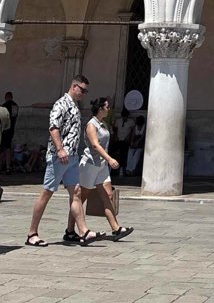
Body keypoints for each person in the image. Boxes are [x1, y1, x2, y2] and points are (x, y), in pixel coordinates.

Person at [25, 75, 99, 248]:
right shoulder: (61, 104)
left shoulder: (74, 106)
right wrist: (60, 149)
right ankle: (32, 233)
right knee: (47, 192)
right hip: (59, 157)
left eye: (86, 91)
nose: (84, 93)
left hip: (72, 157)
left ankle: (83, 231)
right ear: (74, 87)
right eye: (82, 89)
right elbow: (53, 127)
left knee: (76, 193)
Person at [76, 96, 133, 241]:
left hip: (101, 166)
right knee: (80, 198)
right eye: (107, 107)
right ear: (100, 108)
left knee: (107, 195)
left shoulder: (103, 124)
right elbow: (95, 145)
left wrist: (106, 160)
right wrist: (110, 158)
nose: (109, 109)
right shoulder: (91, 125)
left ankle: (116, 228)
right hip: (90, 164)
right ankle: (71, 229)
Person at [0, 91, 19, 173]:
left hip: (4, 130)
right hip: (11, 129)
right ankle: (8, 167)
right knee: (8, 148)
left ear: (6, 97)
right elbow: (14, 117)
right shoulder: (16, 106)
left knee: (1, 148)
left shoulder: (4, 107)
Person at [112, 106, 134, 176]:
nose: (125, 118)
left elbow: (133, 131)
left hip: (125, 141)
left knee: (123, 154)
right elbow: (115, 129)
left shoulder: (131, 122)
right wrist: (115, 137)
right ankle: (114, 169)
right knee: (114, 152)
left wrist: (129, 139)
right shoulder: (118, 121)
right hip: (118, 139)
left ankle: (122, 168)